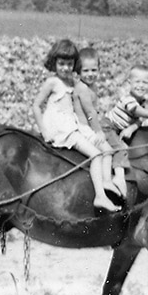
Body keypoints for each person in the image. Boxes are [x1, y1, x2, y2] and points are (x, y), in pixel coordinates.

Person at [32, 39, 122, 212]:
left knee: (106, 149)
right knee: (96, 155)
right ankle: (100, 196)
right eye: (61, 64)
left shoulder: (74, 83)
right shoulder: (52, 82)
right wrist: (44, 130)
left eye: (69, 64)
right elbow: (36, 106)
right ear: (54, 63)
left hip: (73, 125)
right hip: (61, 128)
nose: (65, 68)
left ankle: (107, 182)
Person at [101, 64, 148, 186]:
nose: (140, 86)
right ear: (129, 83)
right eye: (137, 82)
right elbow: (144, 114)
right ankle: (118, 178)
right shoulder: (128, 100)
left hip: (117, 129)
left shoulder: (141, 101)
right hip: (108, 127)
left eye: (144, 83)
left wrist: (132, 127)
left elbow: (140, 120)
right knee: (121, 149)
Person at [73, 46, 129, 198]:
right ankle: (106, 180)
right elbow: (90, 113)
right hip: (85, 127)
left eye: (93, 70)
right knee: (107, 150)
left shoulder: (92, 87)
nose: (90, 74)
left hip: (91, 124)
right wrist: (98, 132)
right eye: (85, 71)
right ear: (78, 71)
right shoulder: (82, 88)